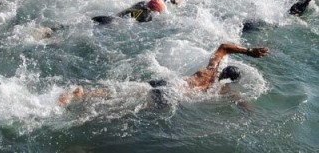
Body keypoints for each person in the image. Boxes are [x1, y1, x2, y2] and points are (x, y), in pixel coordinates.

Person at [59, 43, 270, 106]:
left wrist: (249, 51)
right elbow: (238, 100)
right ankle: (83, 98)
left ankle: (83, 93)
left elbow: (224, 46)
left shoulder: (210, 68)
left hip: (171, 81)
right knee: (125, 104)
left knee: (126, 91)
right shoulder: (219, 87)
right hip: (172, 93)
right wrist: (249, 109)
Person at [91, 0, 179, 24]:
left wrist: (172, 1)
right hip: (115, 22)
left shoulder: (142, 3)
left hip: (114, 17)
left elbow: (159, 1)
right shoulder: (147, 16)